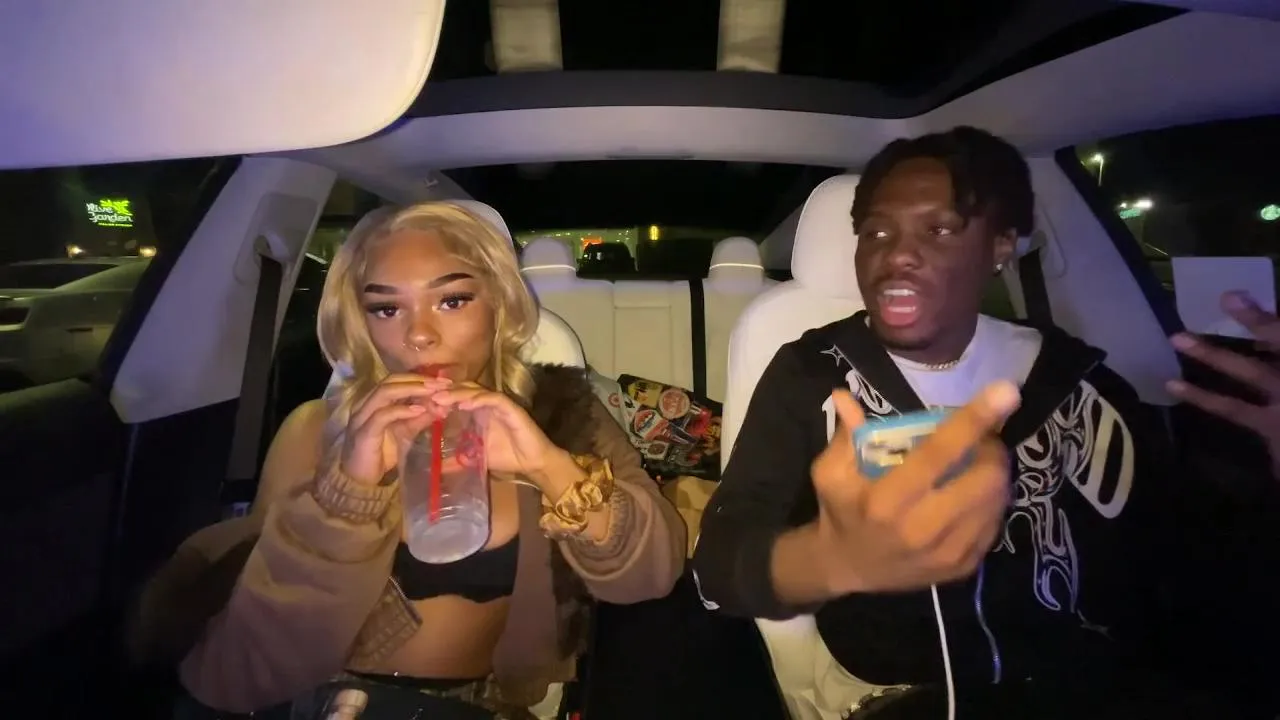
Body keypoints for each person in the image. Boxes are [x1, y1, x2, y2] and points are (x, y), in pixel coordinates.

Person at [692, 127, 1237, 718]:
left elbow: (1178, 553)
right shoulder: (814, 373)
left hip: (1079, 682)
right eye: (877, 232)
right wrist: (831, 559)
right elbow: (720, 563)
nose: (897, 254)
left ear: (1000, 247)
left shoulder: (1075, 381)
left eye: (939, 229)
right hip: (894, 692)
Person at [129, 203, 686, 719]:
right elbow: (237, 676)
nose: (419, 334)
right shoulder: (319, 432)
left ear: (501, 302)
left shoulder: (562, 417)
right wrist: (349, 494)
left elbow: (651, 576)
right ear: (361, 322)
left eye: (452, 300)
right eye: (387, 308)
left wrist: (549, 467)